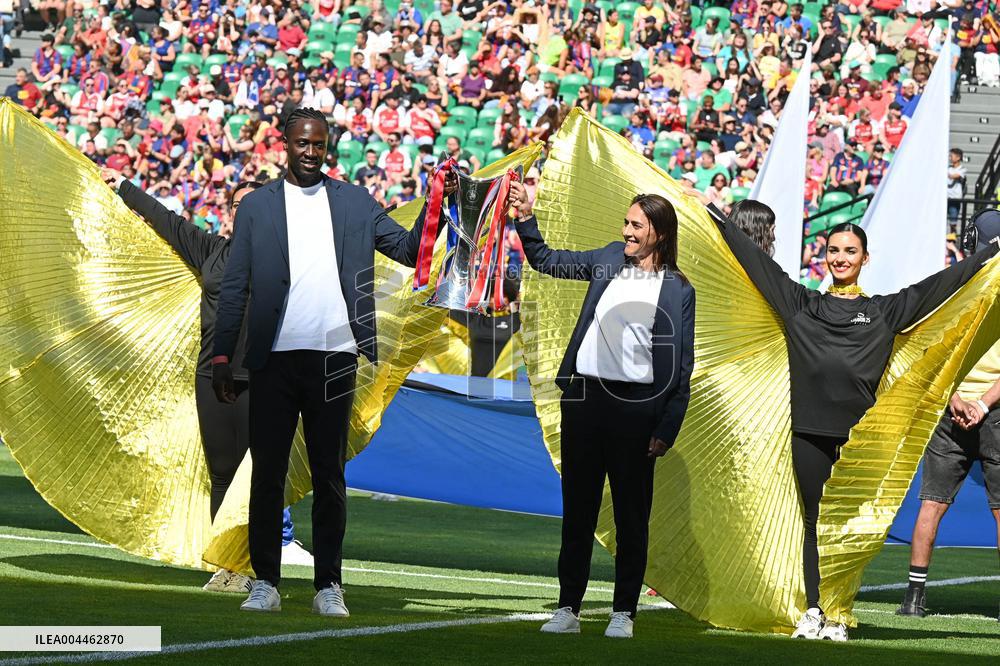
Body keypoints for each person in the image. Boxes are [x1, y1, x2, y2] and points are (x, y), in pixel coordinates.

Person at [718, 200, 1000, 641]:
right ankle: (813, 611)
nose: (840, 258)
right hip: (808, 434)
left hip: (859, 443)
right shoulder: (800, 304)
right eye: (834, 250)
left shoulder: (887, 311)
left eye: (850, 251)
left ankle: (837, 611)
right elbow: (755, 262)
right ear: (824, 255)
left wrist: (989, 255)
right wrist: (714, 212)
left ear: (865, 259)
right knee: (813, 523)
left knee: (849, 528)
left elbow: (942, 286)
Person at [211, 108, 455, 615]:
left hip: (335, 358)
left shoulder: (354, 202)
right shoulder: (256, 206)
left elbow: (411, 251)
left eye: (319, 144)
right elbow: (235, 286)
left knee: (329, 477)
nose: (311, 151)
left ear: (328, 147)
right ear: (285, 142)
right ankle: (266, 583)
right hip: (272, 359)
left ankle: (329, 585)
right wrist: (222, 355)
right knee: (268, 476)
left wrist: (436, 200)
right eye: (302, 142)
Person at [99, 165, 315, 591]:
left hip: (263, 378)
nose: (244, 210)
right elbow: (166, 221)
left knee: (260, 476)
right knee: (222, 474)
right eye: (237, 205)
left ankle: (261, 569)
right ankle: (230, 567)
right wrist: (123, 185)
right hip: (213, 376)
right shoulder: (212, 250)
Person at [509, 184, 695, 639]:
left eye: (636, 226)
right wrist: (525, 218)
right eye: (626, 223)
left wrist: (666, 426)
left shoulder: (678, 289)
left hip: (636, 410)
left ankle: (623, 613)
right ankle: (568, 607)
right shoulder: (610, 257)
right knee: (578, 511)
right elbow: (548, 260)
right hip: (584, 401)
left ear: (660, 234)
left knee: (632, 517)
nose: (626, 232)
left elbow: (681, 364)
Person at [897, 210, 1000, 618]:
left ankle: (913, 597)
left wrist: (955, 397)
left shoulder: (954, 288)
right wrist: (983, 403)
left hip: (951, 406)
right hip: (993, 408)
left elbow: (932, 352)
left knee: (932, 503)